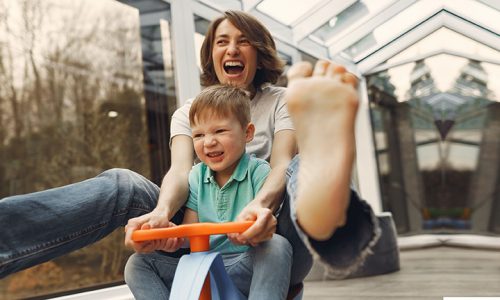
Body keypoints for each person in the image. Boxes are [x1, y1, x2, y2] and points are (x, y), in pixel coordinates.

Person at [0, 10, 383, 293]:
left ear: (259, 52)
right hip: (207, 233)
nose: (232, 48)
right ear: (212, 55)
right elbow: (180, 172)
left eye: (243, 40)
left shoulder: (287, 100)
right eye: (221, 41)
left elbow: (281, 161)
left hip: (273, 229)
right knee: (123, 184)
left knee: (303, 163)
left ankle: (329, 220)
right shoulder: (187, 113)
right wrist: (163, 216)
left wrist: (262, 207)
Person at [125, 85, 292, 299]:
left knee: (277, 246)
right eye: (199, 135)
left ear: (247, 133)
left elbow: (265, 228)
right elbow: (191, 232)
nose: (209, 142)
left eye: (220, 131)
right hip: (203, 266)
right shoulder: (195, 177)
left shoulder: (259, 172)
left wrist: (251, 234)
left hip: (245, 265)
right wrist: (173, 240)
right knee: (138, 264)